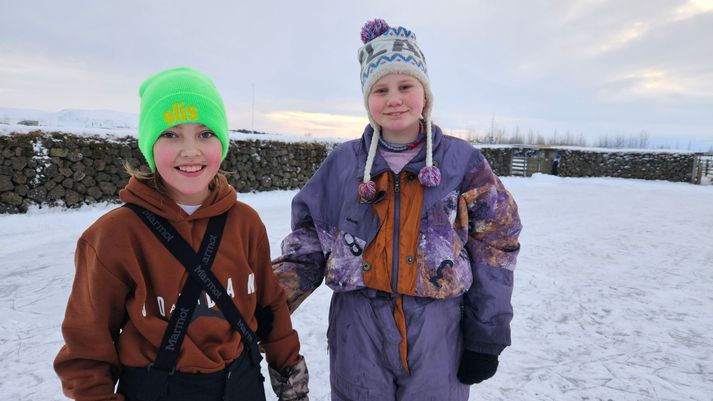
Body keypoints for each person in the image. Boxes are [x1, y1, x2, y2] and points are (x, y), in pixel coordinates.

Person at [273, 19, 522, 401]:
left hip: (439, 329)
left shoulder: (462, 162)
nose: (394, 99)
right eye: (380, 89)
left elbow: (496, 244)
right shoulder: (342, 165)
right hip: (358, 329)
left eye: (405, 86)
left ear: (424, 92)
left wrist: (487, 333)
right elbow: (307, 243)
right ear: (366, 99)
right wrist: (266, 308)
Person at [54, 67, 309, 401]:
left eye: (205, 134)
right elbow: (87, 350)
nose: (190, 151)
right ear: (148, 144)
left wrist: (291, 377)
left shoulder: (245, 222)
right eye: (171, 134)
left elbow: (271, 308)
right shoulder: (114, 236)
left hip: (243, 384)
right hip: (159, 389)